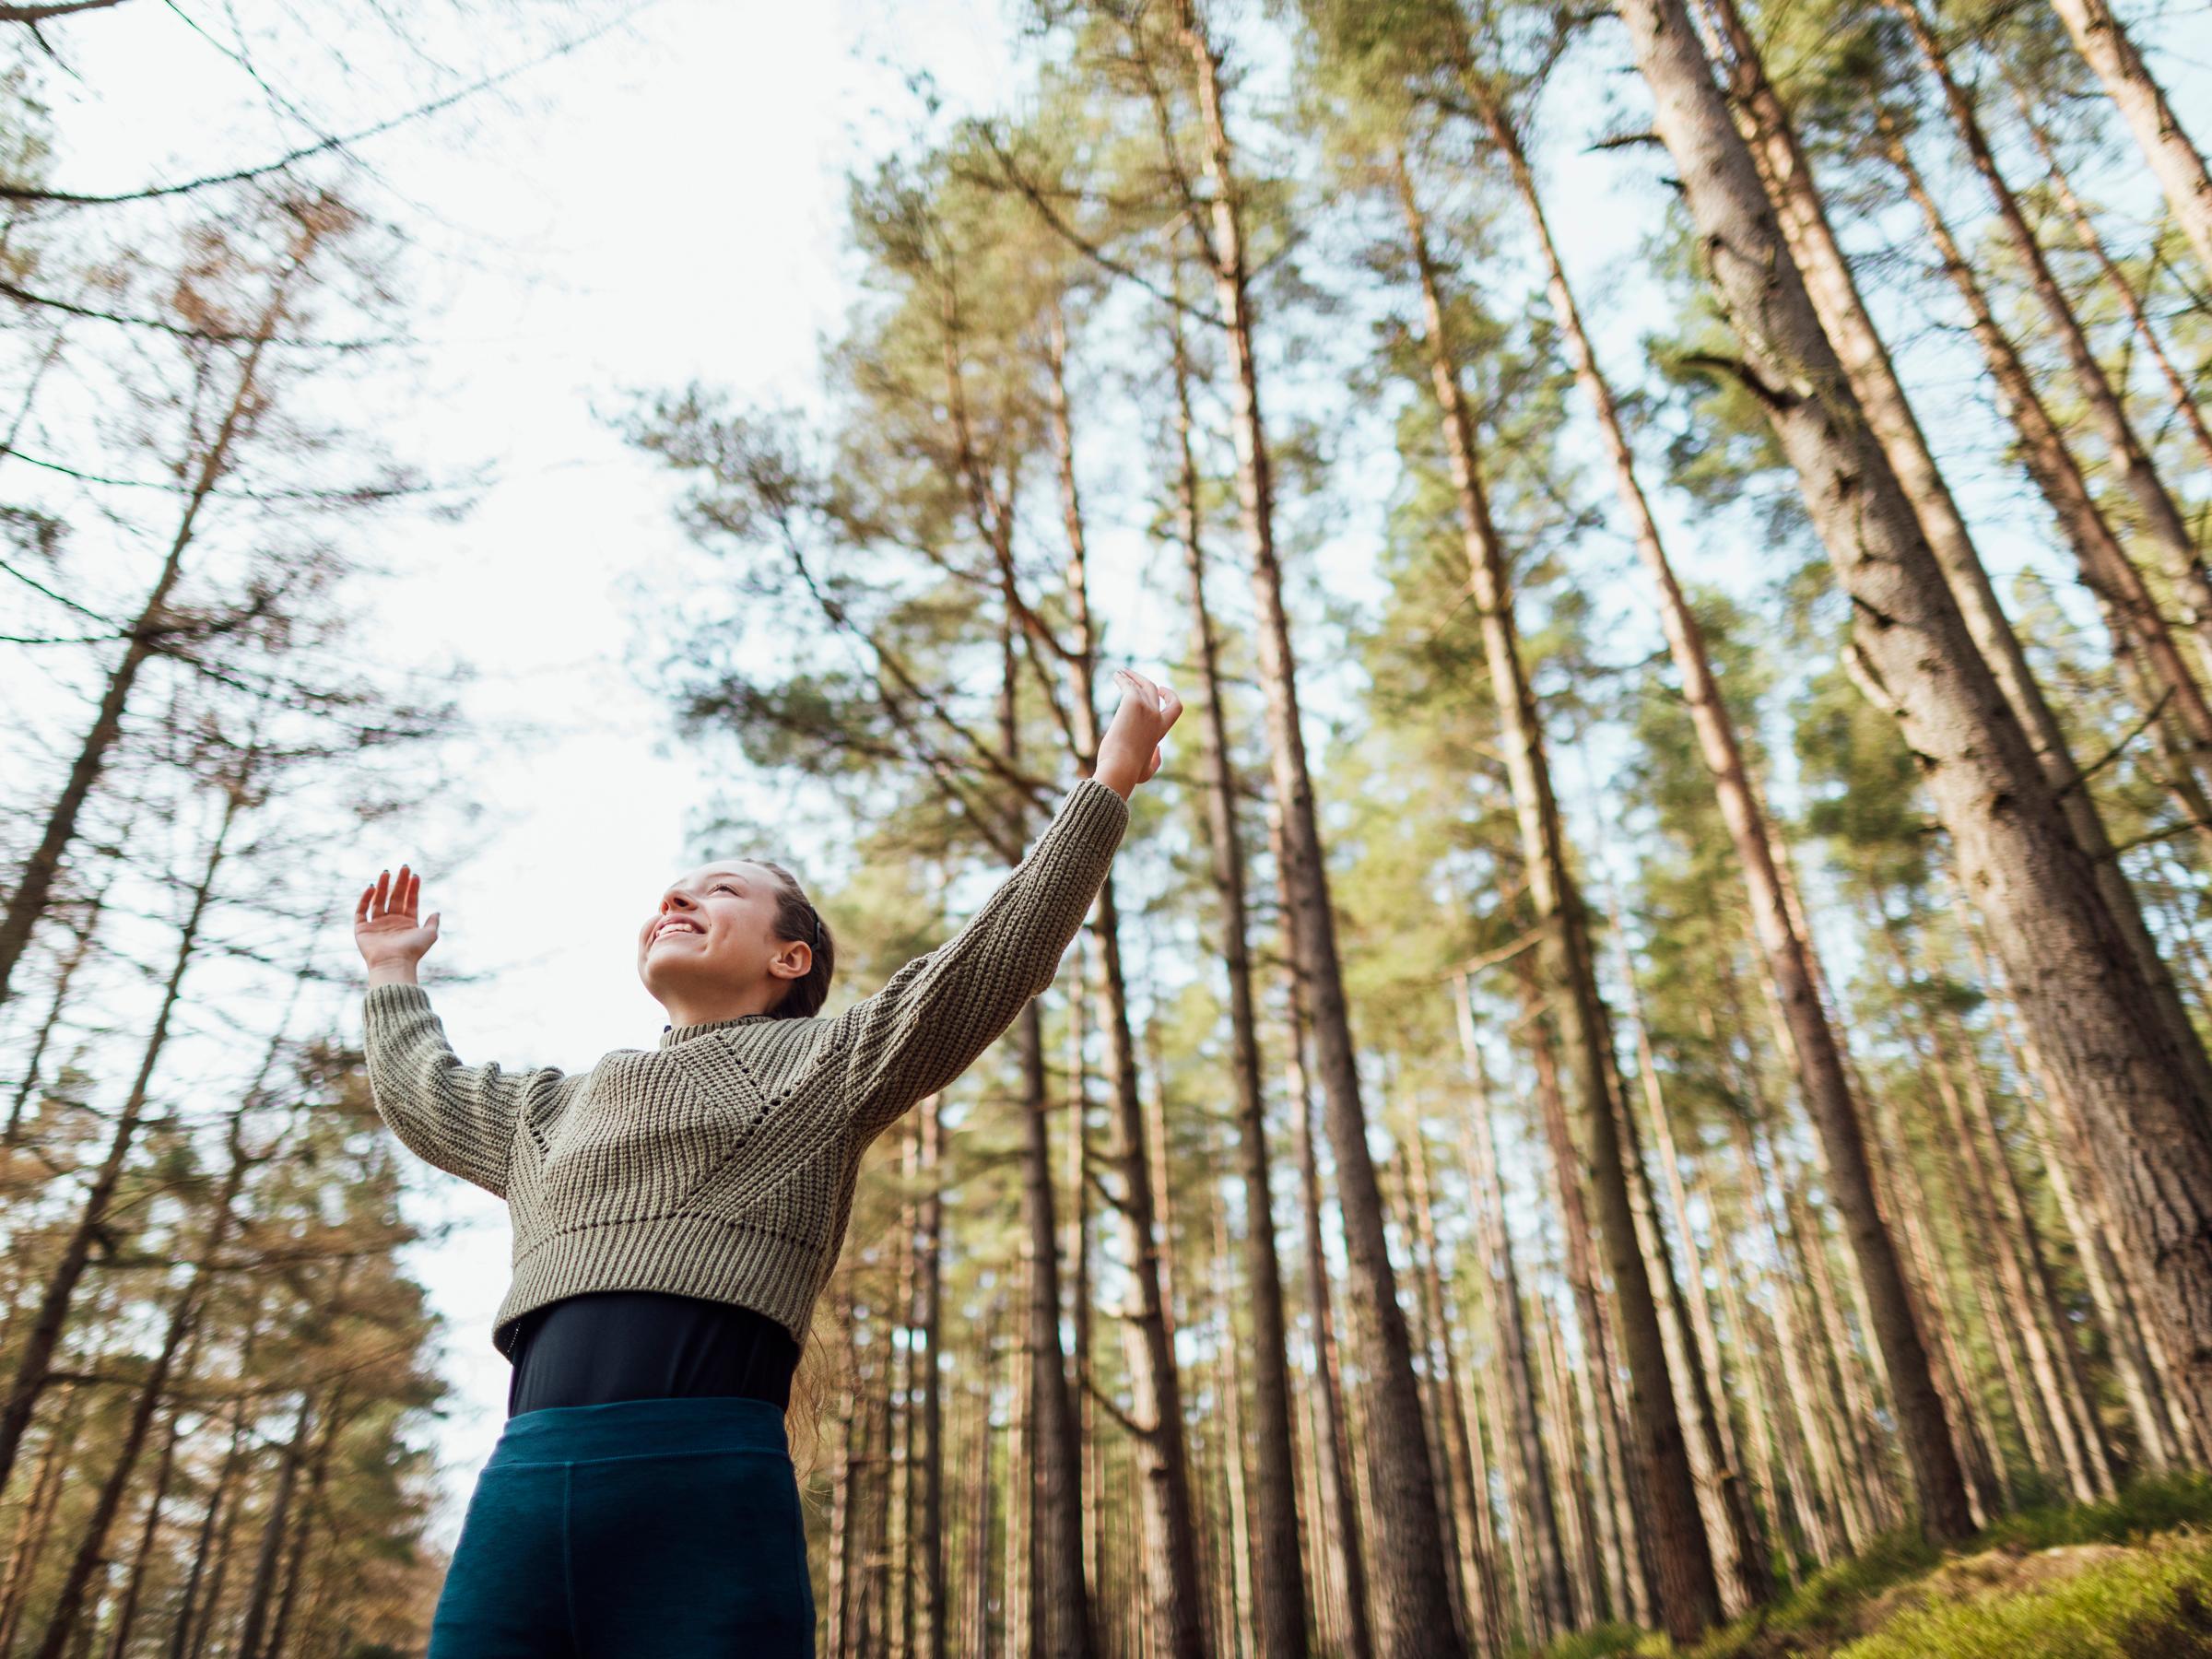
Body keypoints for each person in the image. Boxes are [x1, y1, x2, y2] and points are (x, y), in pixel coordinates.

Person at [353, 666, 1182, 1657]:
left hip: (706, 1478)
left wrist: (1111, 780)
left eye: (723, 890)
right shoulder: (550, 1112)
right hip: (524, 1485)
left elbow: (989, 960)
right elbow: (424, 1090)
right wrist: (394, 973)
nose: (678, 896)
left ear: (791, 959)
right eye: (676, 889)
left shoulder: (828, 1064)